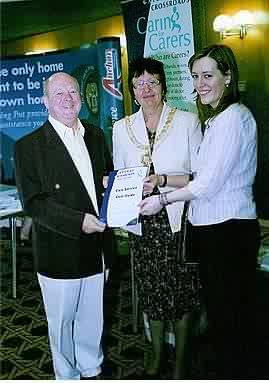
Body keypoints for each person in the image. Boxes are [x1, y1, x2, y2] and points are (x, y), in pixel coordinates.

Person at [139, 44, 261, 378]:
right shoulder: (218, 119)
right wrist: (162, 180)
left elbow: (206, 186)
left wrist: (162, 199)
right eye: (195, 76)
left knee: (232, 320)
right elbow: (200, 176)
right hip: (214, 231)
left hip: (227, 232)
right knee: (224, 318)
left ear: (228, 76)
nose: (200, 83)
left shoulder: (234, 118)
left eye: (208, 75)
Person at [14, 72, 114, 380]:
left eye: (72, 91)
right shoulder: (28, 146)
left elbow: (104, 180)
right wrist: (78, 222)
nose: (68, 98)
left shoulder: (96, 135)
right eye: (59, 94)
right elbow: (35, 202)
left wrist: (110, 185)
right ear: (45, 101)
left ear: (81, 97)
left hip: (97, 246)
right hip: (60, 249)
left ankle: (91, 368)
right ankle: (67, 376)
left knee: (92, 318)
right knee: (62, 323)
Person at [112, 57, 201, 379]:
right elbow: (122, 176)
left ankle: (179, 363)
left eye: (153, 82)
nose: (146, 89)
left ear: (164, 86)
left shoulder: (187, 121)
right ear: (132, 90)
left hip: (180, 221)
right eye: (139, 84)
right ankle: (156, 355)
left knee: (183, 295)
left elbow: (199, 176)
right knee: (151, 294)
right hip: (144, 227)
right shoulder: (121, 129)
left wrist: (161, 179)